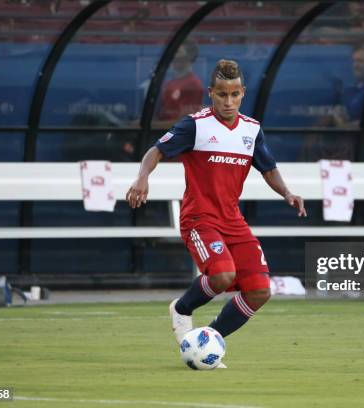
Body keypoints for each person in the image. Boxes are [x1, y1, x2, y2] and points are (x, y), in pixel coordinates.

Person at [126, 60, 307, 367]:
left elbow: (268, 168)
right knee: (223, 275)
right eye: (222, 94)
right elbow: (156, 150)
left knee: (260, 290)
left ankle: (206, 340)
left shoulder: (251, 130)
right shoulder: (195, 125)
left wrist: (287, 192)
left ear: (242, 93)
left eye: (234, 94)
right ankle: (182, 309)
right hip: (199, 219)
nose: (228, 101)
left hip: (233, 221)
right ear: (211, 93)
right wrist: (142, 176)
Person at [151, 40, 204, 129]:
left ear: (189, 56)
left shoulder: (193, 84)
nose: (174, 56)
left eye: (178, 52)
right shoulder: (168, 83)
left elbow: (185, 124)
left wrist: (150, 126)